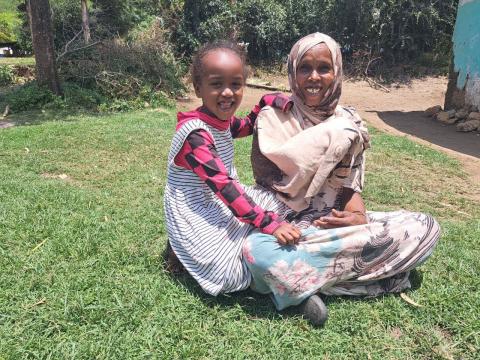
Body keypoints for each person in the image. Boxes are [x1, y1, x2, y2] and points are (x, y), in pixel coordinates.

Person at [244, 33, 441, 326]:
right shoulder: (273, 117)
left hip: (328, 230)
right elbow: (268, 186)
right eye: (304, 68)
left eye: (324, 68)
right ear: (292, 71)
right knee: (254, 250)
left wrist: (357, 218)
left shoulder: (348, 124)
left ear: (337, 72)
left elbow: (349, 189)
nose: (314, 77)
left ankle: (298, 282)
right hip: (283, 226)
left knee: (425, 228)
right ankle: (364, 278)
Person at [163, 40, 302, 296]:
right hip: (198, 211)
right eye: (217, 84)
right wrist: (269, 224)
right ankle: (273, 283)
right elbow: (225, 188)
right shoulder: (195, 136)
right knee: (227, 271)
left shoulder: (220, 121)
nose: (228, 92)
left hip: (216, 204)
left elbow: (247, 126)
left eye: (235, 84)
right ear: (198, 88)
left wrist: (265, 102)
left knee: (281, 201)